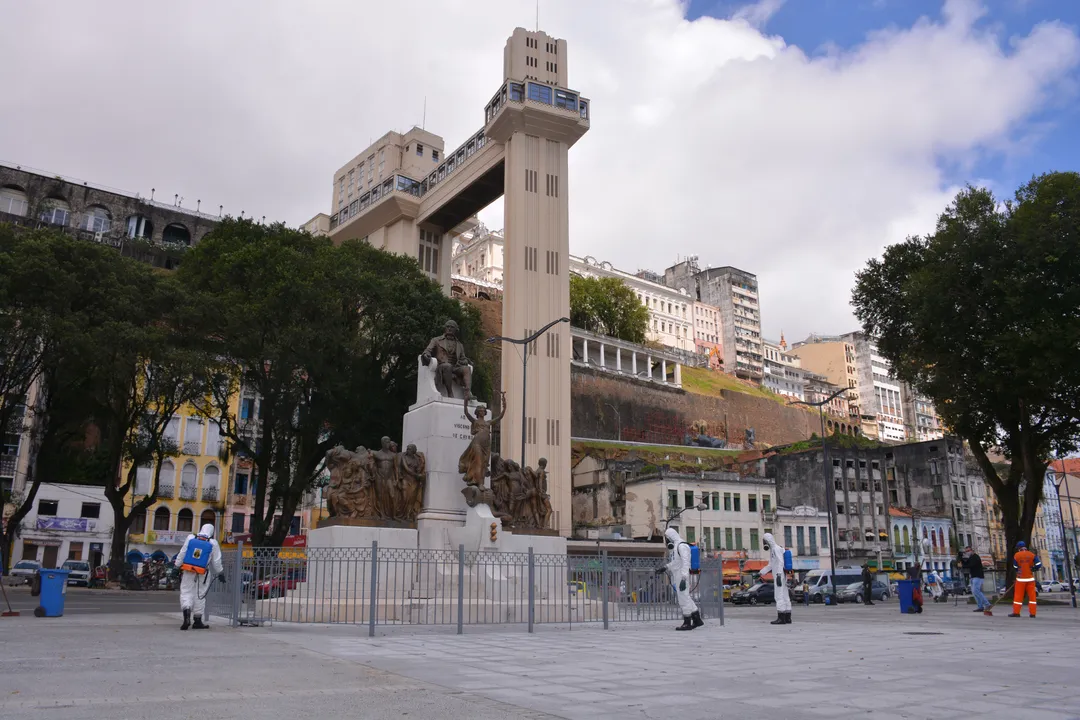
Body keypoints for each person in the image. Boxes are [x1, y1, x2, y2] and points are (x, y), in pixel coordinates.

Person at [175, 523, 225, 630]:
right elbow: (216, 561)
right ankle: (197, 621)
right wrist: (220, 573)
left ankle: (186, 616)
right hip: (203, 573)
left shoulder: (191, 537)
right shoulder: (213, 543)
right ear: (211, 532)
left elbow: (182, 552)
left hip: (188, 570)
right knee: (200, 595)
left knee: (186, 592)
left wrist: (176, 566)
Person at [654, 527, 703, 630]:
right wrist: (665, 567)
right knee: (686, 597)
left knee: (683, 598)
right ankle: (697, 619)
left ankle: (687, 622)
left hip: (682, 575)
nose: (666, 541)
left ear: (671, 537)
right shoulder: (676, 547)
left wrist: (684, 578)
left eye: (667, 538)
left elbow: (686, 562)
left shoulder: (682, 546)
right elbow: (676, 562)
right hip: (678, 575)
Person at [760, 532, 792, 624]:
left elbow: (781, 562)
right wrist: (761, 572)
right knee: (785, 595)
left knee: (778, 596)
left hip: (779, 575)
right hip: (781, 575)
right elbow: (771, 565)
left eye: (764, 541)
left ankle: (781, 617)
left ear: (768, 541)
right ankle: (787, 617)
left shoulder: (776, 549)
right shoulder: (774, 550)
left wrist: (778, 575)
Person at [1010, 540, 1042, 618]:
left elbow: (1015, 566)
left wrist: (1019, 571)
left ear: (1019, 548)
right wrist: (1033, 568)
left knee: (1018, 596)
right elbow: (1039, 564)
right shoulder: (1031, 555)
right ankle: (1032, 613)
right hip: (1030, 579)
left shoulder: (1017, 555)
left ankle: (1016, 613)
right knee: (1032, 597)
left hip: (1020, 579)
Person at [962, 546, 991, 616]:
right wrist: (962, 560)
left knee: (976, 591)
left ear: (972, 550)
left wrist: (963, 565)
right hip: (973, 576)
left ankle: (987, 604)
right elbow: (966, 564)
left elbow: (971, 565)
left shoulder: (975, 557)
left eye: (968, 551)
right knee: (975, 592)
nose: (967, 552)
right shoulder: (971, 558)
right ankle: (980, 606)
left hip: (978, 576)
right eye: (966, 551)